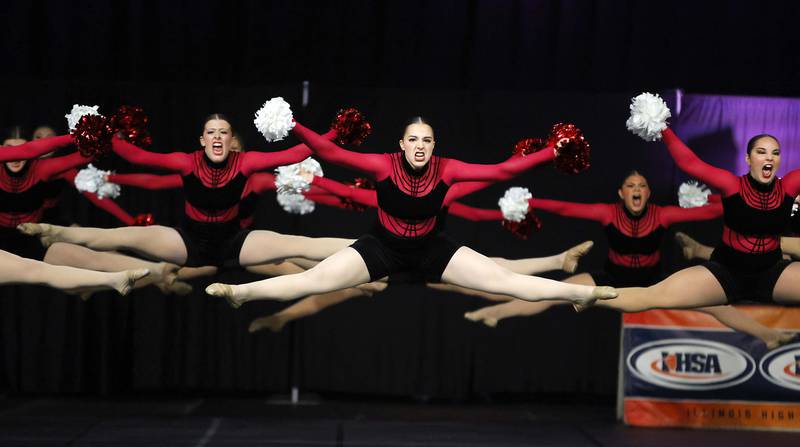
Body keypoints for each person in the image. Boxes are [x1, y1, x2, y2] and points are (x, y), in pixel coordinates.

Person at [206, 114, 617, 307]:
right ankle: (241, 293)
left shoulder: (448, 169)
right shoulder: (383, 164)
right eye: (413, 139)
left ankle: (579, 293)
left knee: (501, 280)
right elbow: (330, 152)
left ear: (434, 146)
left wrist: (552, 150)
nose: (420, 146)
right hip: (382, 247)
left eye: (427, 140)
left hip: (431, 249)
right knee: (315, 281)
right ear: (402, 144)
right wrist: (292, 125)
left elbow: (503, 170)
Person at [460, 171, 794, 349]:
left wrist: (750, 205)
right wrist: (531, 202)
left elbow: (716, 209)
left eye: (643, 185)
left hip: (652, 278)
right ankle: (498, 311)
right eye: (630, 185)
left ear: (648, 193)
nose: (637, 190)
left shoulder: (662, 215)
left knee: (717, 303)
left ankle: (766, 335)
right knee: (556, 291)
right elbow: (565, 207)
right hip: (612, 275)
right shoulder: (607, 213)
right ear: (621, 193)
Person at [19, 114, 353, 269]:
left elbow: (295, 154)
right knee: (121, 237)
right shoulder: (187, 162)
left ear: (231, 139)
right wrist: (106, 135)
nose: (218, 136)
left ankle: (362, 249)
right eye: (211, 131)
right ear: (202, 140)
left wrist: (336, 131)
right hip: (189, 242)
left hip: (233, 243)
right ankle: (54, 231)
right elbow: (140, 159)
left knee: (301, 247)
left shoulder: (247, 163)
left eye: (224, 131)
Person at [595, 121, 800, 311]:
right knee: (653, 296)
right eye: (761, 152)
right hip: (727, 272)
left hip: (772, 271)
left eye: (775, 153)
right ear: (748, 158)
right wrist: (662, 127)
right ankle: (586, 295)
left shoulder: (789, 186)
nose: (769, 158)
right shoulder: (731, 184)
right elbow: (689, 163)